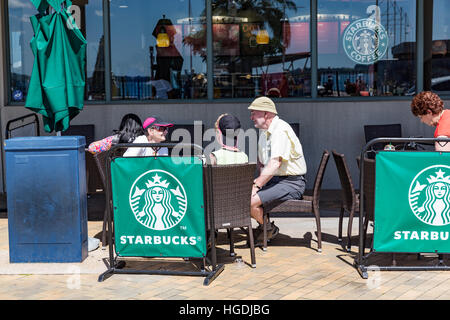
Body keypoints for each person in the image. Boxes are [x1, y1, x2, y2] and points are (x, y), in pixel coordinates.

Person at [248, 96, 307, 244]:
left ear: (266, 114)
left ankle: (267, 229)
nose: (251, 117)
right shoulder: (264, 131)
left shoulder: (280, 130)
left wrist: (257, 186)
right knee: (241, 196)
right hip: (276, 180)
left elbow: (275, 163)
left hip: (291, 182)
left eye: (254, 113)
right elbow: (262, 162)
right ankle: (264, 227)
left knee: (249, 202)